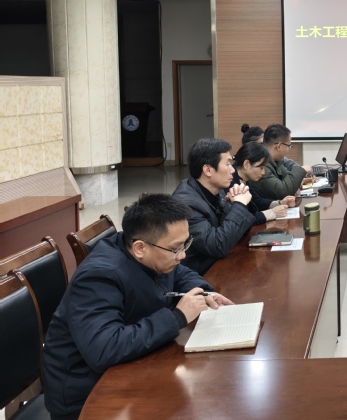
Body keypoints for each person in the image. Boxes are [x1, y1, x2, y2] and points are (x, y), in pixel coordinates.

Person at [42, 193, 233, 419]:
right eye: (176, 249)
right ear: (140, 248)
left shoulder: (150, 253)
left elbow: (180, 273)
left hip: (131, 367)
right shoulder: (99, 276)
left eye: (185, 245)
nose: (182, 255)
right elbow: (104, 349)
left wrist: (202, 291)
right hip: (87, 394)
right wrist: (178, 317)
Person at [173, 138, 257, 274]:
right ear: (208, 170)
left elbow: (240, 232)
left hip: (217, 265)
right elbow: (217, 246)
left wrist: (235, 205)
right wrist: (240, 205)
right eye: (228, 164)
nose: (233, 170)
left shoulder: (216, 191)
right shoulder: (186, 204)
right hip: (199, 275)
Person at [229, 141, 295, 222]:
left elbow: (257, 201)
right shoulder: (230, 181)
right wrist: (271, 213)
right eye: (261, 168)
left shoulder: (244, 179)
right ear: (246, 164)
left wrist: (280, 203)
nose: (263, 172)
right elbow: (240, 219)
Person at [251, 123, 313, 200]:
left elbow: (288, 178)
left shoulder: (275, 161)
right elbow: (283, 191)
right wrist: (302, 169)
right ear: (279, 146)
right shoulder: (261, 165)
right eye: (289, 146)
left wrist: (296, 185)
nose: (289, 149)